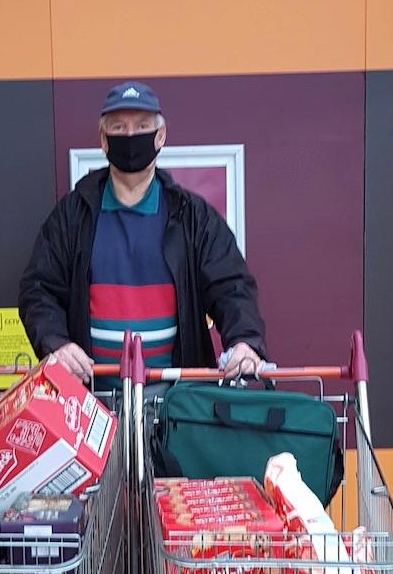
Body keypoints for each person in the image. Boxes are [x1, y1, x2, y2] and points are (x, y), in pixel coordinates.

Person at [18, 81, 265, 383]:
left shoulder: (192, 215)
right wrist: (55, 342)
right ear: (104, 140)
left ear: (160, 135)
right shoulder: (72, 215)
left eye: (142, 126)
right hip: (91, 401)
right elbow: (39, 289)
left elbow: (231, 286)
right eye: (119, 128)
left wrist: (244, 342)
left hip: (176, 404)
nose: (131, 136)